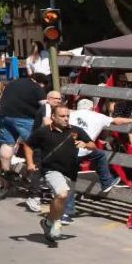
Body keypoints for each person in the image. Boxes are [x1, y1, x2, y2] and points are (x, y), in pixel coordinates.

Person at [23, 104, 97, 245]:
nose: (66, 119)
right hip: (51, 169)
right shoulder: (43, 132)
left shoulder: (76, 130)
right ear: (53, 117)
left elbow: (93, 145)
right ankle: (55, 222)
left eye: (68, 116)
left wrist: (85, 144)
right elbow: (28, 145)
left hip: (70, 172)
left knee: (61, 200)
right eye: (62, 116)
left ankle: (48, 222)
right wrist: (30, 163)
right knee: (62, 194)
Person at [61, 99, 129, 223]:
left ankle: (67, 212)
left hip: (67, 151)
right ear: (92, 108)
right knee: (100, 155)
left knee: (70, 182)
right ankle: (106, 182)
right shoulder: (98, 116)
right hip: (85, 150)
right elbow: (117, 121)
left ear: (78, 107)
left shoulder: (70, 114)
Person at [0, 72, 47, 186]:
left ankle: (6, 171)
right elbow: (46, 106)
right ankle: (36, 177)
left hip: (3, 115)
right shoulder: (36, 87)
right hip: (23, 117)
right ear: (40, 82)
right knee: (35, 144)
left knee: (7, 144)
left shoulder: (12, 83)